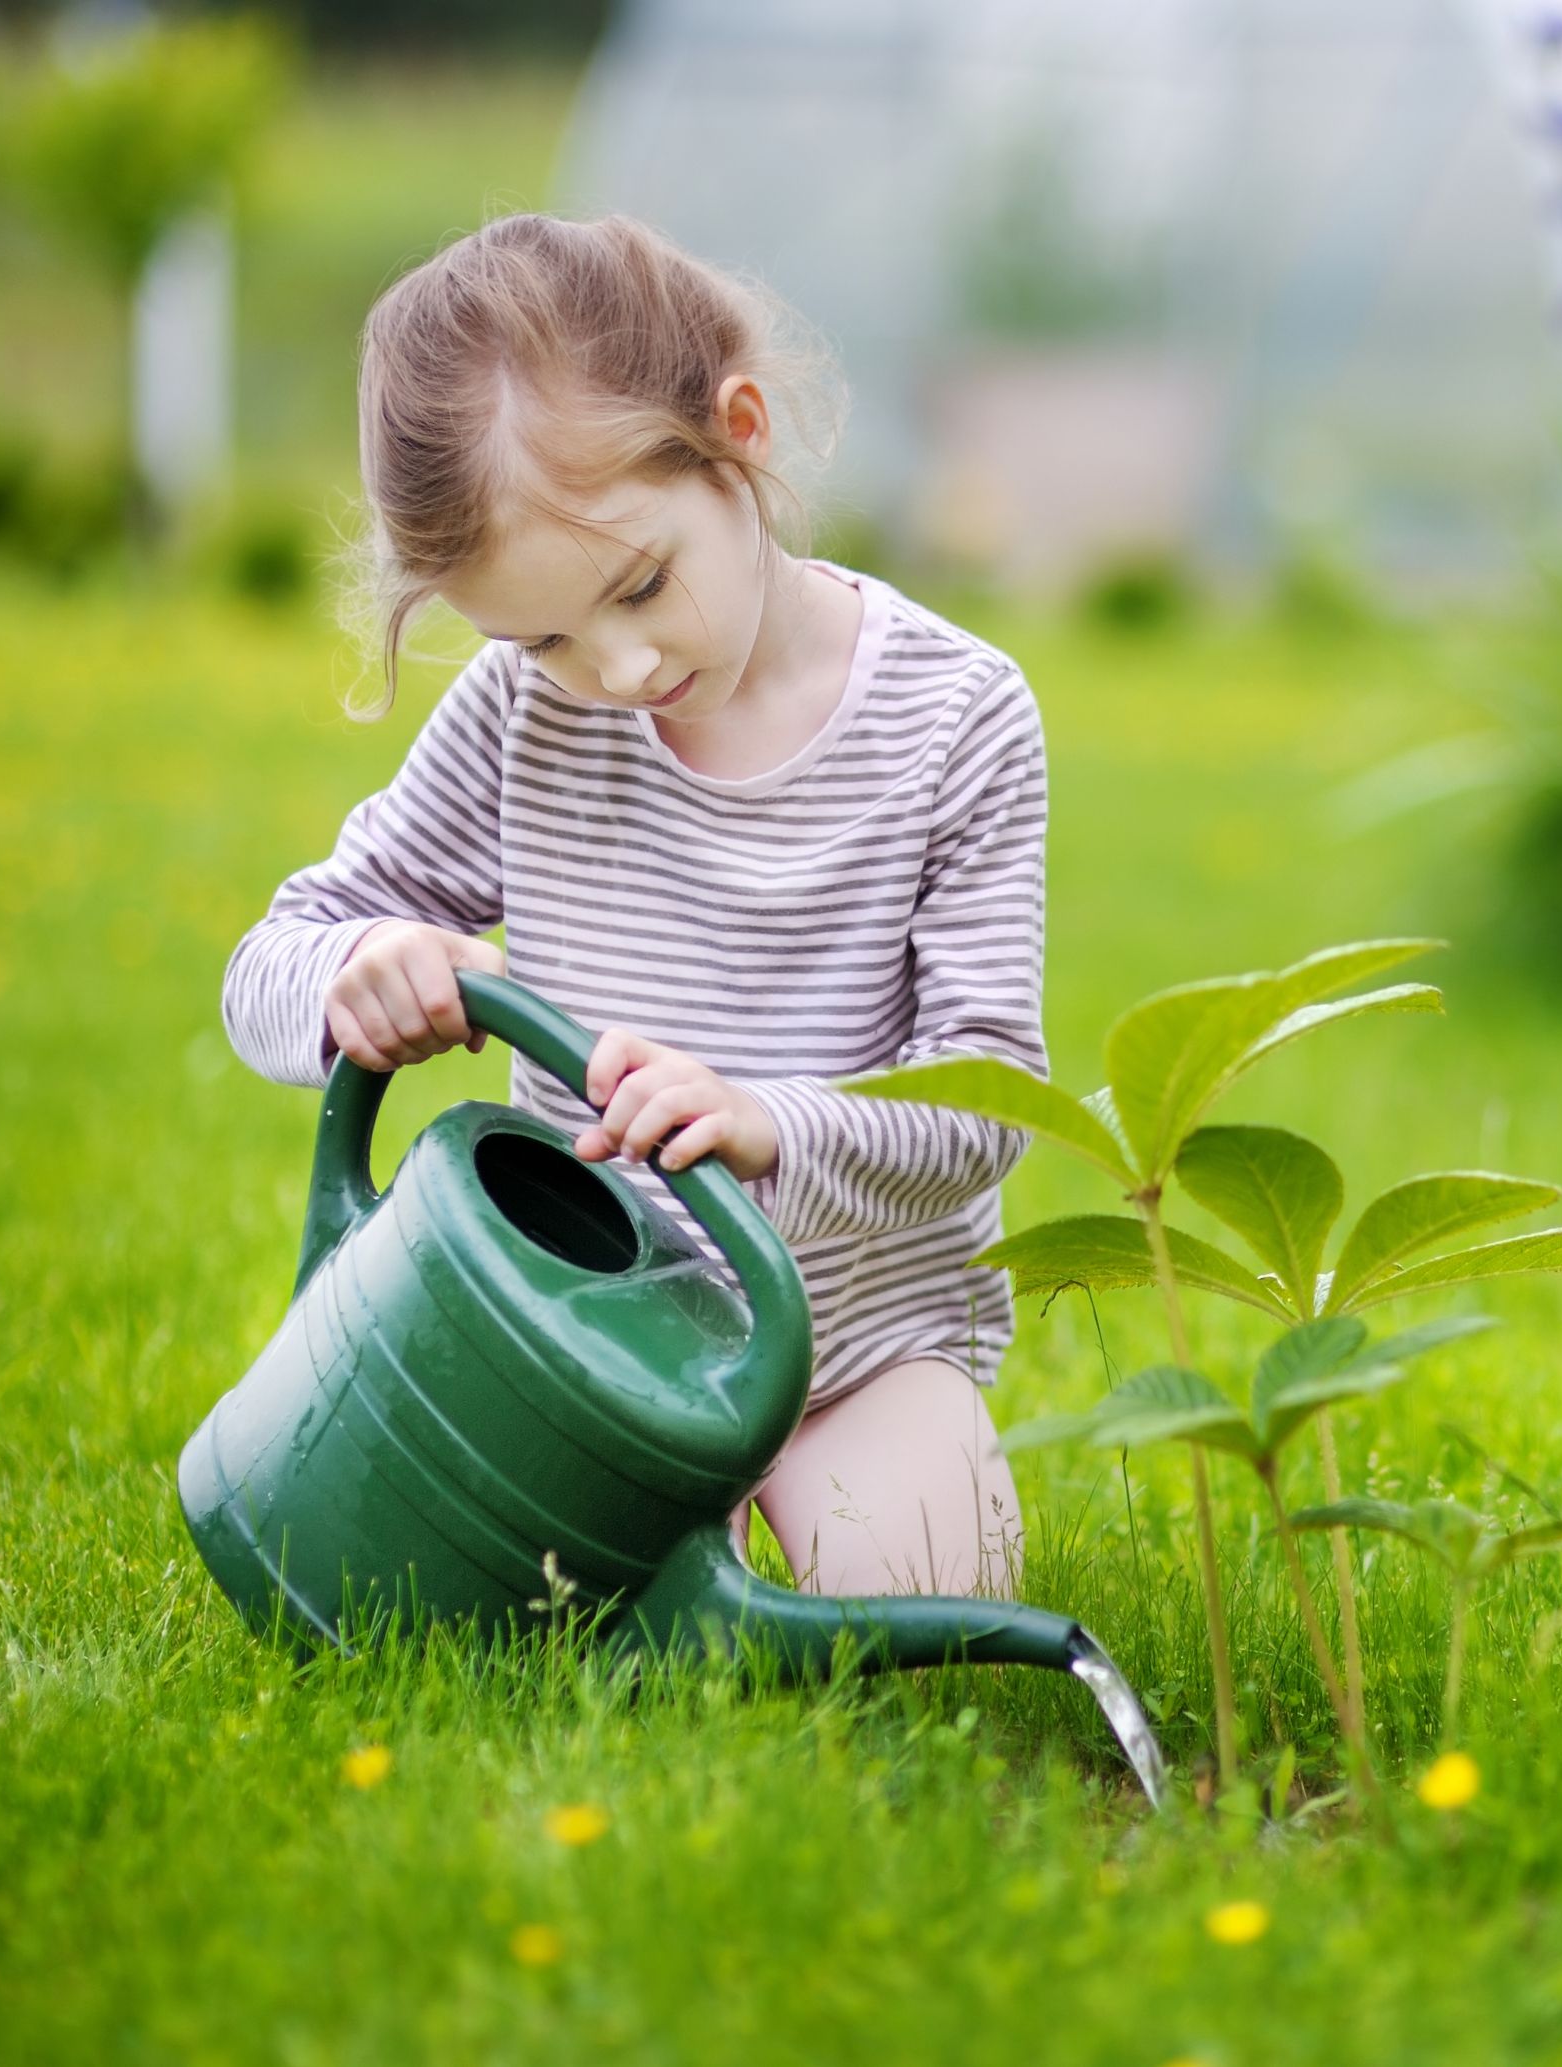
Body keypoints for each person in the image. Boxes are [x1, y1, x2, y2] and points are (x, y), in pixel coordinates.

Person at [221, 213, 1039, 1599]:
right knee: (468, 1624)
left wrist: (769, 1123)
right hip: (586, 1348)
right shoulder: (520, 715)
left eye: (641, 584)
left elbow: (988, 1109)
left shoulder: (953, 718)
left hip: (858, 1349)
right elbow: (270, 965)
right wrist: (361, 962)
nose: (614, 666)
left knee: (927, 1599)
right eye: (538, 635)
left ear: (740, 433)